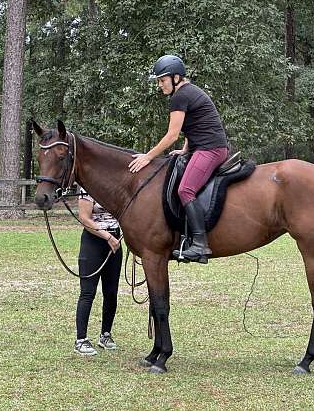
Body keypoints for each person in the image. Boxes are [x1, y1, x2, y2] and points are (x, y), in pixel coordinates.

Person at [128, 55, 228, 264]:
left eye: (162, 80)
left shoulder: (180, 96)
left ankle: (200, 243)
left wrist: (148, 156)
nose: (159, 85)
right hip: (205, 147)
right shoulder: (189, 92)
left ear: (175, 78)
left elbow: (172, 135)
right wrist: (185, 150)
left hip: (210, 150)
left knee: (185, 190)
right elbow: (196, 125)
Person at [73, 187, 123, 356]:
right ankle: (81, 340)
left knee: (111, 292)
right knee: (87, 292)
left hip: (115, 241)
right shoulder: (87, 188)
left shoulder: (116, 185)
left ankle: (105, 335)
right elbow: (84, 218)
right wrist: (107, 237)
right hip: (94, 242)